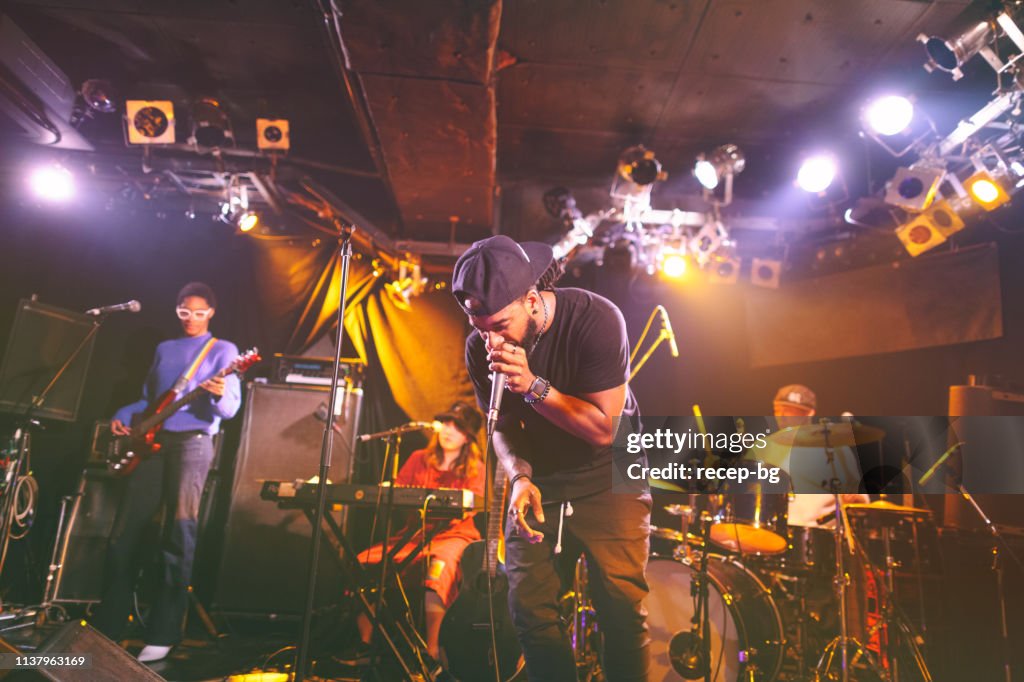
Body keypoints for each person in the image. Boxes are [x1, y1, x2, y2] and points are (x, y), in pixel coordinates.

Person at [452, 235, 650, 682]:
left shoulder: (597, 318)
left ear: (530, 298)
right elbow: (498, 427)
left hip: (610, 474)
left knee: (620, 610)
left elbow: (604, 429)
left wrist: (534, 387)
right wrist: (519, 476)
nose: (490, 338)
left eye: (500, 324)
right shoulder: (478, 347)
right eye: (480, 326)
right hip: (542, 478)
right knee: (529, 612)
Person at [92, 282, 241, 663]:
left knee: (179, 533)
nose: (190, 318)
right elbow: (149, 399)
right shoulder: (164, 349)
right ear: (176, 311)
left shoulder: (223, 351)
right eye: (183, 311)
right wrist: (122, 416)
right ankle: (108, 625)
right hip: (152, 444)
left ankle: (164, 631)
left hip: (193, 444)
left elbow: (228, 411)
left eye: (198, 312)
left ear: (211, 312)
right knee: (124, 533)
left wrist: (220, 391)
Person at [344, 401, 486, 664]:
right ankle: (365, 646)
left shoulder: (476, 467)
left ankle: (431, 651)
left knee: (438, 569)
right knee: (365, 562)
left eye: (457, 427)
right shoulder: (419, 459)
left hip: (453, 537)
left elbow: (470, 507)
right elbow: (399, 492)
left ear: (468, 437)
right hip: (413, 537)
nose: (448, 430)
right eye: (446, 423)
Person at [769, 384, 868, 526]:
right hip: (777, 532)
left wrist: (854, 498)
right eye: (777, 410)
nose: (781, 416)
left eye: (789, 410)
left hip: (820, 535)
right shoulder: (770, 448)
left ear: (808, 412)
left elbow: (859, 500)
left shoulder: (833, 448)